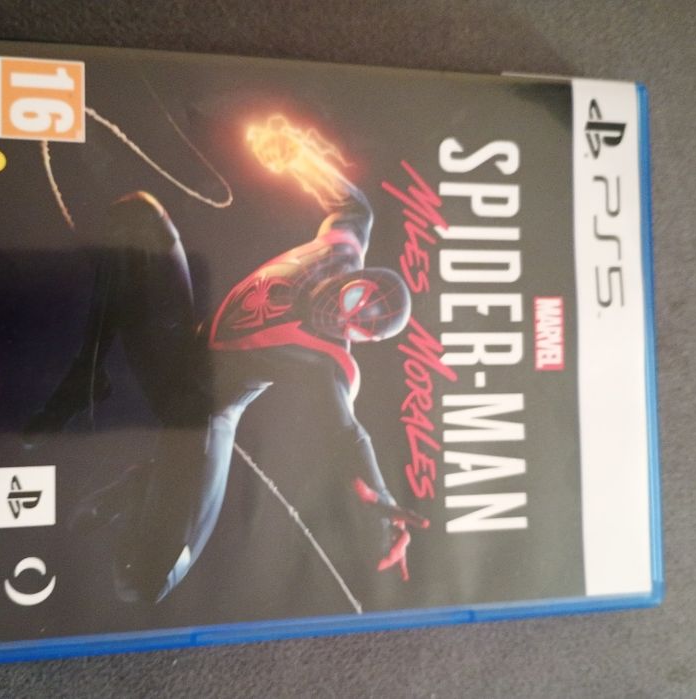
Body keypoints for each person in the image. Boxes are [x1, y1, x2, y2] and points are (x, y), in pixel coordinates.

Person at [26, 118, 427, 604]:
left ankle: (140, 489)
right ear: (357, 276)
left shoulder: (329, 362)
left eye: (357, 323)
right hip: (177, 345)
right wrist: (297, 153)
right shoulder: (341, 244)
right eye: (356, 299)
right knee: (139, 214)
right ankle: (86, 374)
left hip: (201, 415)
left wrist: (380, 498)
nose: (342, 315)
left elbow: (350, 435)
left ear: (360, 337)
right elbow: (352, 202)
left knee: (149, 580)